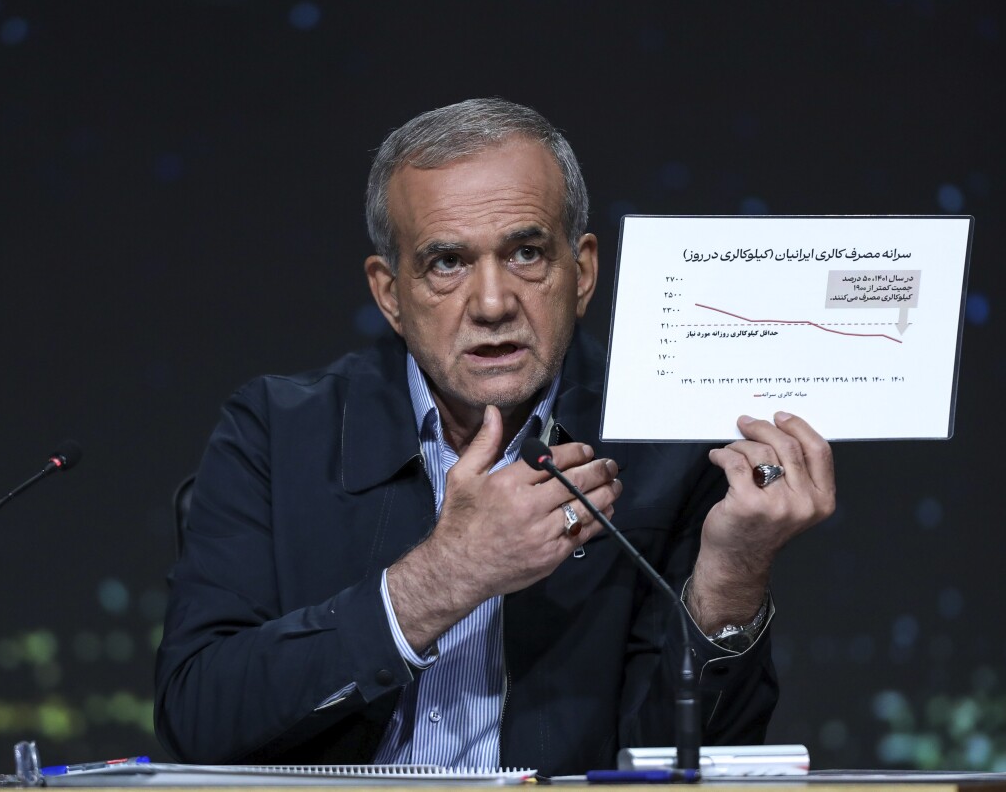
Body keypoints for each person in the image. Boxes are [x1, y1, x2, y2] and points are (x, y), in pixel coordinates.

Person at [155, 98, 835, 774]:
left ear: (582, 273)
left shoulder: (668, 451)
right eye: (447, 262)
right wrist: (449, 573)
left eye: (526, 253)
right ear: (390, 294)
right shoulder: (276, 432)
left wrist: (732, 578)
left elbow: (682, 768)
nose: (491, 304)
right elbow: (198, 719)